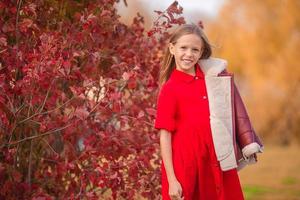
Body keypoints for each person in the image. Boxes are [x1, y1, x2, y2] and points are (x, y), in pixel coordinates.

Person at [154, 24, 263, 200]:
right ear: (172, 48)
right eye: (183, 48)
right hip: (186, 166)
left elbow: (235, 109)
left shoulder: (213, 80)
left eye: (195, 49)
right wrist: (172, 180)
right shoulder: (170, 89)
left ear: (201, 52)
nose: (189, 54)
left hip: (217, 161)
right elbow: (164, 136)